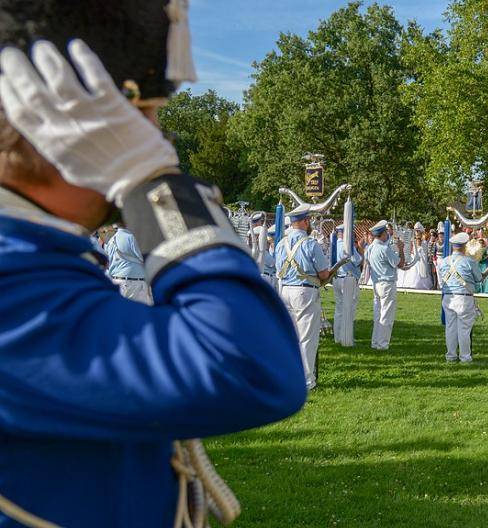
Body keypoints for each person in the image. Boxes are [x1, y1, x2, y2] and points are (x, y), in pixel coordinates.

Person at [0, 9, 305, 524]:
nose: (159, 140)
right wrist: (152, 181)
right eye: (143, 116)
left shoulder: (37, 255)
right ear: (65, 121)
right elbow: (247, 363)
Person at [275, 205, 332, 389]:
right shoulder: (310, 243)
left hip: (285, 290)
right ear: (305, 221)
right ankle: (307, 381)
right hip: (304, 291)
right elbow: (323, 274)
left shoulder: (281, 244)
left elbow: (279, 269)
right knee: (307, 337)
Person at [437, 232, 483, 362]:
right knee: (464, 329)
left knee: (450, 328)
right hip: (464, 297)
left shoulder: (444, 261)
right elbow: (479, 278)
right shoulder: (469, 261)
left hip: (448, 296)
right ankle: (465, 356)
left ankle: (451, 355)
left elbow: (441, 279)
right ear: (464, 246)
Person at [365, 220, 405, 350]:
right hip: (387, 284)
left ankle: (375, 342)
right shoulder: (384, 248)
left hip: (376, 283)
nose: (388, 234)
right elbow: (400, 264)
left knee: (378, 315)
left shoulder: (370, 248)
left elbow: (367, 260)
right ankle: (382, 344)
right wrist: (401, 249)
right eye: (386, 232)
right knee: (386, 316)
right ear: (382, 234)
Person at [104, 224, 152, 304]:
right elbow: (142, 258)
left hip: (117, 281)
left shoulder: (110, 242)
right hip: (133, 282)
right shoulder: (130, 237)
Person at [333, 225, 362, 347]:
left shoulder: (334, 244)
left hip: (337, 278)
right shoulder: (347, 245)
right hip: (348, 279)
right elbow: (357, 260)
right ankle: (347, 337)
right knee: (349, 309)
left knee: (339, 309)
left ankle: (338, 337)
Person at [401, 222, 433, 290]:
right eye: (416, 231)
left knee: (421, 270)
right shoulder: (413, 240)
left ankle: (421, 284)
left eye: (418, 231)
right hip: (414, 259)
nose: (417, 232)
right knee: (413, 271)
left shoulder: (424, 242)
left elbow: (423, 252)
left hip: (421, 259)